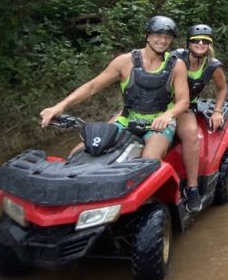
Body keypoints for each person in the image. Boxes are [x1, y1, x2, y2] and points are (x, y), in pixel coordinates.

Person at [39, 16, 191, 188]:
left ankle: (146, 207)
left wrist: (168, 115)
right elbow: (92, 86)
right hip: (127, 118)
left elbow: (183, 101)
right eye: (158, 35)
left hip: (160, 121)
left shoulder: (176, 65)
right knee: (80, 151)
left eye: (168, 37)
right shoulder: (124, 61)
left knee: (149, 160)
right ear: (147, 35)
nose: (163, 40)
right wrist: (60, 106)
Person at [171, 24, 227, 212]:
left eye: (205, 41)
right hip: (157, 104)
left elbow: (222, 88)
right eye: (196, 40)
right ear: (189, 43)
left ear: (210, 44)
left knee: (191, 133)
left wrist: (218, 111)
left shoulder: (213, 66)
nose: (200, 43)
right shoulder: (174, 58)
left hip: (184, 108)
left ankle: (192, 188)